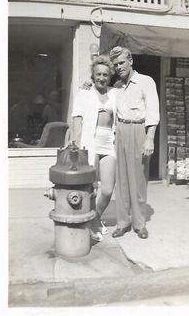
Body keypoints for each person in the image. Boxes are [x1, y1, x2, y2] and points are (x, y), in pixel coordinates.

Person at [109, 46, 160, 239]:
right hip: (120, 131)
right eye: (116, 65)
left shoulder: (146, 81)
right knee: (121, 180)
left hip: (138, 130)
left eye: (122, 62)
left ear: (131, 61)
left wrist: (149, 138)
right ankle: (123, 222)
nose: (119, 67)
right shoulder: (117, 87)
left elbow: (153, 112)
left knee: (138, 179)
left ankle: (139, 223)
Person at [71, 55, 117, 241]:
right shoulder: (84, 93)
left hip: (109, 144)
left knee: (107, 189)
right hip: (91, 142)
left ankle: (95, 216)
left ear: (110, 76)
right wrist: (75, 140)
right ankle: (91, 223)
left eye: (105, 74)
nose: (101, 78)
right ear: (93, 74)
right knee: (92, 188)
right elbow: (76, 118)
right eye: (98, 74)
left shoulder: (115, 93)